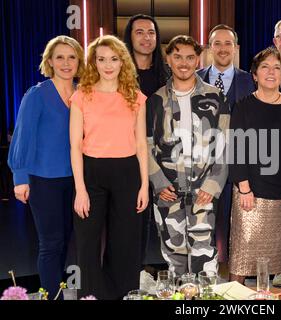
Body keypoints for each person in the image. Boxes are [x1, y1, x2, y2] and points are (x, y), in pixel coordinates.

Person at [70, 35, 149, 299]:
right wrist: (80, 190)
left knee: (125, 242)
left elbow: (141, 144)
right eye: (101, 59)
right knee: (87, 243)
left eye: (114, 59)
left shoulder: (135, 97)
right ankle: (91, 296)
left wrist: (144, 186)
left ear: (122, 62)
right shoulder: (81, 96)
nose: (108, 65)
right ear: (93, 62)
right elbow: (75, 147)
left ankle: (123, 295)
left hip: (127, 173)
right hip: (91, 173)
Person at [8, 35, 84, 299]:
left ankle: (55, 290)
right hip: (44, 181)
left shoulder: (83, 94)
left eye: (71, 57)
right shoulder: (37, 94)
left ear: (79, 61)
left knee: (64, 242)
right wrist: (20, 177)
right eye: (60, 57)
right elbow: (22, 137)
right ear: (50, 61)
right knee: (50, 244)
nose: (66, 63)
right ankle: (52, 296)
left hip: (76, 181)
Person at [148, 35, 229, 276]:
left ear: (198, 60)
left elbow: (225, 145)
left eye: (190, 57)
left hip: (204, 191)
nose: (184, 63)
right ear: (168, 60)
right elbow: (145, 145)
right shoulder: (155, 100)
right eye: (177, 57)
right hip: (168, 192)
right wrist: (158, 182)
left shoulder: (215, 97)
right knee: (174, 256)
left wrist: (213, 185)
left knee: (203, 256)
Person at [228, 46, 281, 285]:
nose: (271, 72)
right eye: (265, 67)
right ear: (254, 75)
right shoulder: (243, 107)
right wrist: (244, 188)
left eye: (277, 67)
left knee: (275, 265)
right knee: (241, 260)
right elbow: (237, 150)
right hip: (250, 194)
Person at [197, 24, 255, 264]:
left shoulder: (249, 81)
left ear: (236, 48)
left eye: (227, 43)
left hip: (239, 165)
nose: (222, 48)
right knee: (202, 222)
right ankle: (205, 272)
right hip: (203, 166)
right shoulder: (194, 77)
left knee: (236, 223)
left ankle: (233, 271)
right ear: (210, 48)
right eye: (217, 43)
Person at [123, 14, 170, 275]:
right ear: (130, 36)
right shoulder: (118, 72)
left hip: (164, 158)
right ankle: (130, 274)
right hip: (130, 156)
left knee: (163, 223)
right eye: (139, 32)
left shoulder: (167, 74)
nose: (146, 37)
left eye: (151, 32)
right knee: (133, 221)